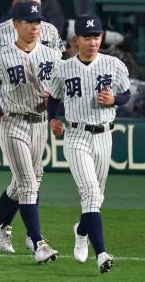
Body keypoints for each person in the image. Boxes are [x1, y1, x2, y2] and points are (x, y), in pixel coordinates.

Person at [0, 0, 64, 252]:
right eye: (28, 21)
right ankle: (38, 242)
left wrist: (55, 104)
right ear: (16, 23)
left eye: (37, 20)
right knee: (27, 183)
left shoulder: (50, 51)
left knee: (28, 181)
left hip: (39, 122)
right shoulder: (0, 51)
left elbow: (59, 86)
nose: (35, 25)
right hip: (12, 121)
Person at [47, 14, 130, 274]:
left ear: (102, 38)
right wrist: (52, 119)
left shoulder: (113, 64)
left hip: (104, 135)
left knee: (96, 198)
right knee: (91, 195)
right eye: (87, 37)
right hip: (76, 136)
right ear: (76, 40)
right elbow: (53, 98)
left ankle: (81, 231)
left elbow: (126, 93)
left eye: (96, 36)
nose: (92, 41)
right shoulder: (63, 67)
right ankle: (102, 253)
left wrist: (114, 99)